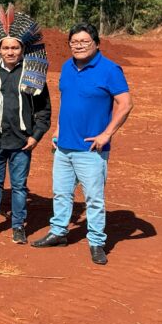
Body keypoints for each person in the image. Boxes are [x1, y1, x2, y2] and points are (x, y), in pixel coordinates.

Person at [32, 22, 133, 265]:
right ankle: (59, 232)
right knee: (61, 193)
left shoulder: (110, 70)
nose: (78, 46)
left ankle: (97, 242)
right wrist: (57, 131)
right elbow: (67, 102)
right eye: (74, 42)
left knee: (94, 199)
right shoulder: (67, 67)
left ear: (96, 44)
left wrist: (107, 134)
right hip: (64, 146)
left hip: (91, 149)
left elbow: (126, 103)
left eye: (84, 42)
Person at [0, 6, 51, 243]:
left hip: (22, 142)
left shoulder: (34, 74)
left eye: (15, 47)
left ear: (23, 49)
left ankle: (18, 225)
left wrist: (36, 136)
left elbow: (44, 110)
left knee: (18, 186)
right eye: (6, 47)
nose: (10, 51)